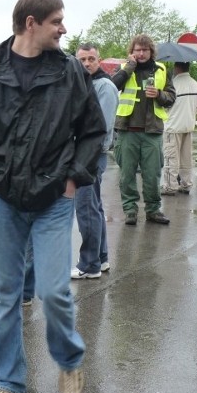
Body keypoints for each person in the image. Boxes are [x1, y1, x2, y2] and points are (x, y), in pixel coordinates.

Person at [0, 0, 106, 393]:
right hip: (4, 201)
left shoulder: (71, 71)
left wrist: (73, 179)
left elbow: (92, 132)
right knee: (5, 294)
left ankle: (69, 360)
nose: (64, 29)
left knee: (53, 292)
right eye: (57, 21)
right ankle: (9, 382)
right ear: (31, 23)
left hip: (54, 198)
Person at [111, 34, 176, 225]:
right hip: (127, 130)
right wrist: (129, 68)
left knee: (152, 174)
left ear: (151, 51)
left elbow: (171, 97)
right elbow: (113, 86)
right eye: (137, 50)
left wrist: (159, 95)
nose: (141, 53)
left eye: (144, 50)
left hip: (152, 131)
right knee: (127, 174)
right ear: (131, 52)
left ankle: (153, 210)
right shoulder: (123, 68)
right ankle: (130, 210)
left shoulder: (162, 69)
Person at [71, 43, 119, 280]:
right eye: (82, 59)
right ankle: (100, 258)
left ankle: (89, 265)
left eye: (91, 59)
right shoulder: (84, 85)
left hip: (91, 156)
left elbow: (101, 128)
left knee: (86, 209)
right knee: (94, 208)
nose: (87, 63)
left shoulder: (104, 87)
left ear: (98, 60)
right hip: (83, 155)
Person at [161, 62, 197, 195]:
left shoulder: (173, 85)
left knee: (171, 158)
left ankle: (170, 186)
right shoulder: (195, 84)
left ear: (176, 68)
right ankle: (186, 184)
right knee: (186, 158)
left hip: (172, 126)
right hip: (188, 126)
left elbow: (165, 105)